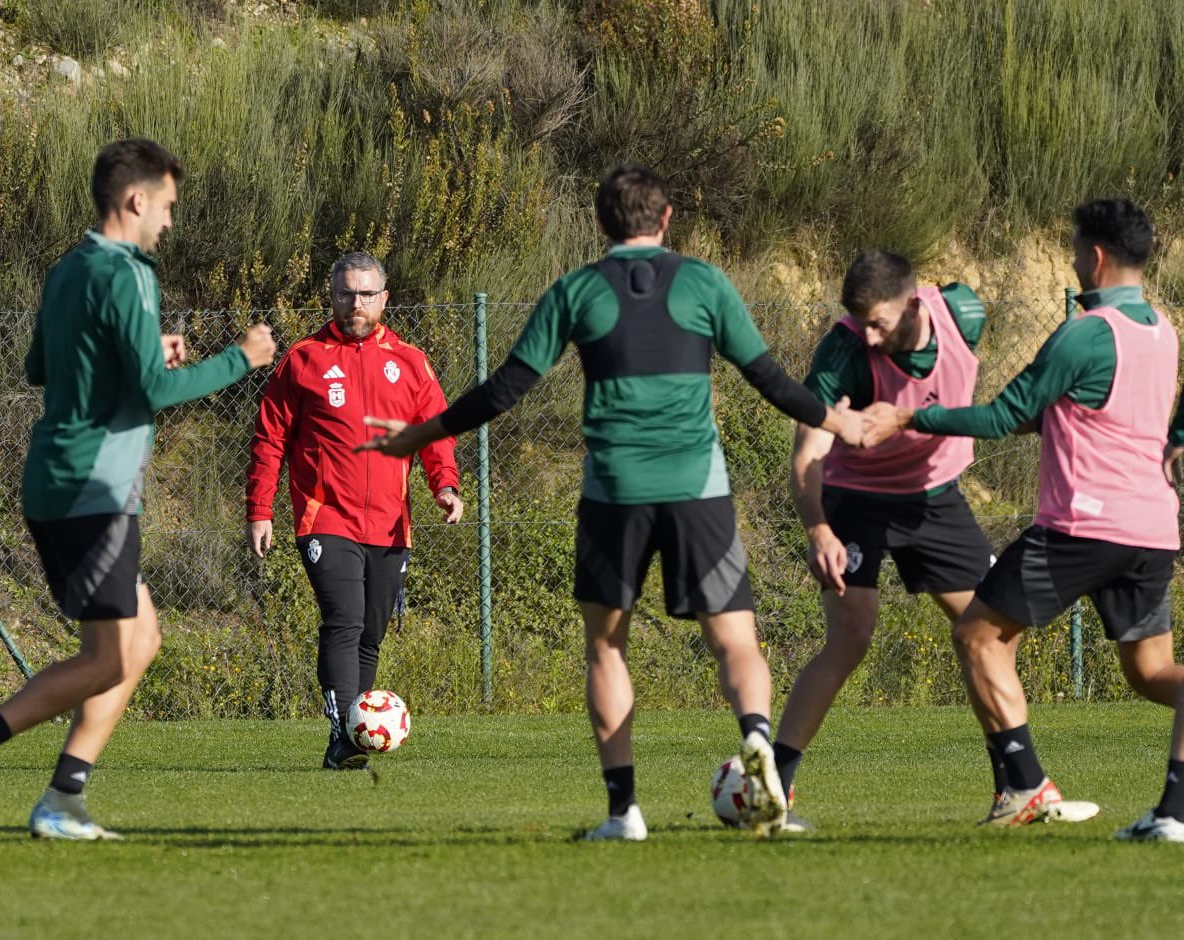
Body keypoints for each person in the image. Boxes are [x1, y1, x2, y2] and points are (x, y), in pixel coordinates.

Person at [357, 164, 864, 840]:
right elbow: (770, 379)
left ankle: (624, 812)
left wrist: (419, 435)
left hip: (614, 492)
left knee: (606, 646)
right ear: (667, 219)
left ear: (601, 225)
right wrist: (839, 422)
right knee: (734, 639)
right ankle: (759, 741)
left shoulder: (577, 290)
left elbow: (505, 389)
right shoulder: (705, 283)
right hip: (697, 488)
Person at [0, 138, 276, 840]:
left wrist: (142, 346)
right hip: (94, 487)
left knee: (140, 642)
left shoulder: (68, 269)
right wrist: (243, 358)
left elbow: (39, 365)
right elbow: (154, 390)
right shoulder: (128, 272)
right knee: (109, 656)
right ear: (136, 200)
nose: (170, 222)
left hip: (58, 479)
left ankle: (63, 800)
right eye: (167, 207)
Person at [864, 198, 1184, 827]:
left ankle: (1026, 787)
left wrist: (909, 415)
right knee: (1151, 672)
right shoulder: (1161, 329)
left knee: (977, 633)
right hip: (1152, 529)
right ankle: (1173, 814)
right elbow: (1087, 413)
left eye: (1072, 250)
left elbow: (1004, 416)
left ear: (1094, 257)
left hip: (1083, 527)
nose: (1068, 260)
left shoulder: (1086, 333)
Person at [774, 251, 995, 830]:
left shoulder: (965, 314)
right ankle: (774, 788)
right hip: (858, 497)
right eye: (861, 322)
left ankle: (1018, 789)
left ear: (915, 302)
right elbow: (808, 452)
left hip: (935, 495)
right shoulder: (844, 350)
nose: (869, 335)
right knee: (850, 637)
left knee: (989, 634)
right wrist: (817, 526)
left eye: (880, 322)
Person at [245, 252, 462, 769]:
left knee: (370, 632)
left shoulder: (410, 361)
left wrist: (445, 485)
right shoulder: (304, 359)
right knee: (343, 621)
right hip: (326, 518)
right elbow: (269, 437)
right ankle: (343, 733)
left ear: (384, 298)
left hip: (390, 522)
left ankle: (355, 739)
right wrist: (260, 509)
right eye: (346, 293)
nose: (356, 303)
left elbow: (435, 434)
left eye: (366, 294)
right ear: (332, 295)